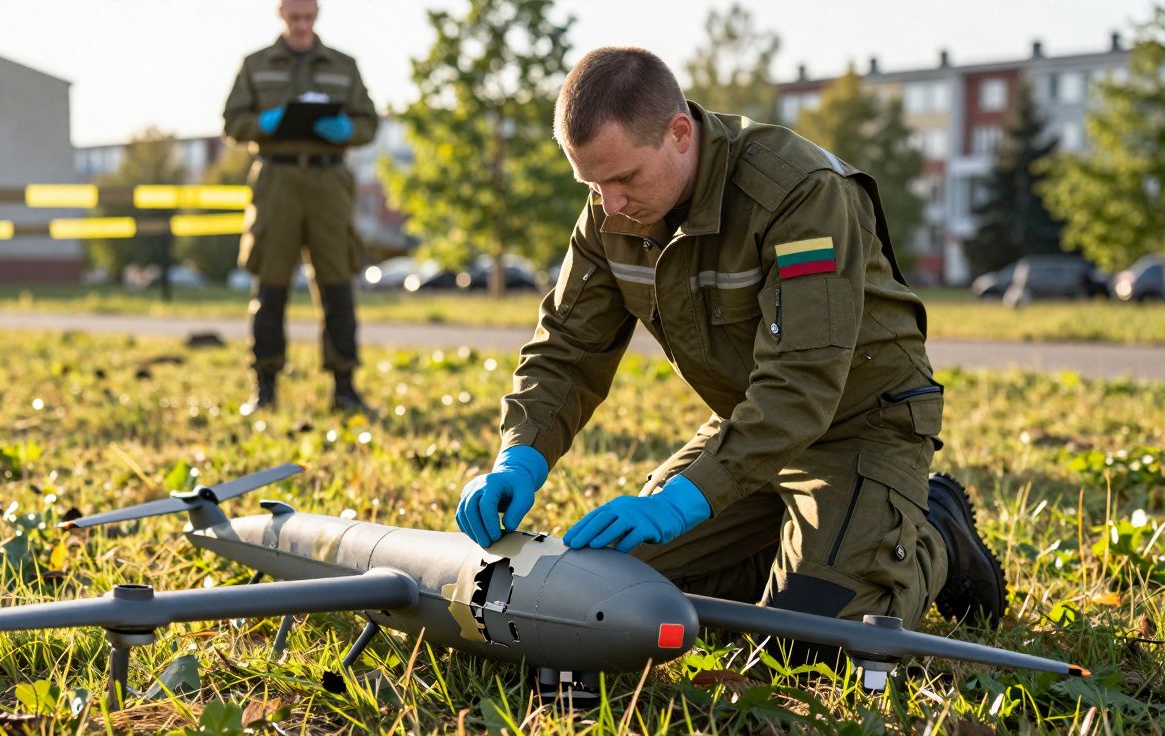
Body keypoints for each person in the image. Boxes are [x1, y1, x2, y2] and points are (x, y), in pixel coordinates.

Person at [455, 47, 1007, 648]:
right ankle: (799, 544)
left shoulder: (800, 194)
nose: (609, 204)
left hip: (860, 425)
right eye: (592, 183)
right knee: (613, 594)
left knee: (812, 642)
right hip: (747, 430)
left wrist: (682, 502)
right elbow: (566, 349)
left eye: (623, 179)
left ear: (679, 133)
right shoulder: (610, 212)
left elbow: (802, 384)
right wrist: (520, 457)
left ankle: (935, 538)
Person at [223, 0, 378, 415]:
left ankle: (345, 387)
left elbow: (369, 122)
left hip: (329, 182)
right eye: (294, 17)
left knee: (337, 284)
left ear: (317, 13)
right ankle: (265, 388)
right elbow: (231, 122)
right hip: (277, 179)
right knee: (270, 285)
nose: (302, 25)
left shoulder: (343, 66)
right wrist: (264, 124)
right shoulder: (255, 64)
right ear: (281, 14)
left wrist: (347, 129)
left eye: (308, 17)